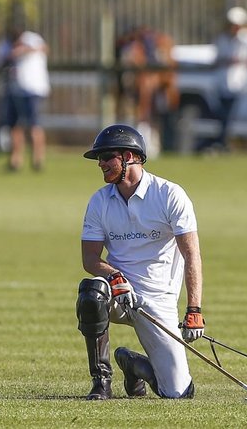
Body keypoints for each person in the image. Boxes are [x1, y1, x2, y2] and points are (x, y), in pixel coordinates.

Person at [75, 124, 204, 400]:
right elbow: (90, 259)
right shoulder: (99, 201)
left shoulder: (170, 195)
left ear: (130, 157)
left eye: (107, 156)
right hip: (119, 295)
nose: (100, 164)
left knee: (178, 393)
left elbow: (191, 254)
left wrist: (194, 309)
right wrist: (114, 276)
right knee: (91, 293)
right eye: (99, 158)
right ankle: (101, 382)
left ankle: (133, 365)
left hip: (158, 302)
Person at [209, 6, 247, 150]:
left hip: (242, 86)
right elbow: (216, 61)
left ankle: (222, 144)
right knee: (222, 118)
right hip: (223, 85)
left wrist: (244, 61)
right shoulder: (222, 39)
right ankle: (221, 144)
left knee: (230, 118)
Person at [0, 28, 51, 171]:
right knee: (15, 125)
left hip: (33, 89)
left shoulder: (31, 38)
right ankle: (15, 161)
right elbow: (2, 59)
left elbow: (43, 48)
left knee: (34, 125)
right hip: (15, 90)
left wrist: (23, 50)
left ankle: (38, 160)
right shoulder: (6, 44)